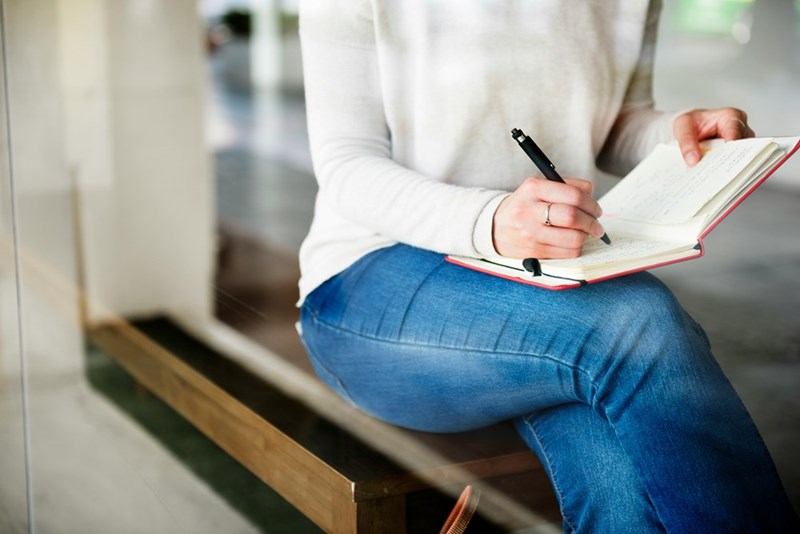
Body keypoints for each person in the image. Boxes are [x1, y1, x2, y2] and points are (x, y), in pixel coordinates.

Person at [295, 0, 799, 531]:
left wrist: (676, 134)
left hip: (541, 283)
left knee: (622, 488)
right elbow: (346, 163)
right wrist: (489, 219)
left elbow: (611, 123)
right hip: (369, 282)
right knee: (634, 321)